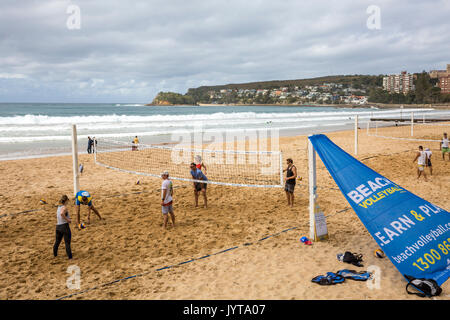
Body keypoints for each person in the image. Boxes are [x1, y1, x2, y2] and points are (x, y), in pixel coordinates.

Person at [53, 195, 73, 259]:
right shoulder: (64, 207)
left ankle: (55, 254)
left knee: (57, 242)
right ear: (66, 200)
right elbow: (62, 213)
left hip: (58, 227)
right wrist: (68, 220)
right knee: (67, 243)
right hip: (64, 226)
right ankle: (70, 257)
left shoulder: (58, 207)